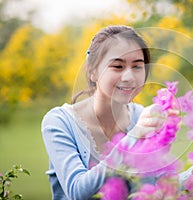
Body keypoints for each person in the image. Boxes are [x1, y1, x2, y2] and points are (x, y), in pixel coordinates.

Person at [41, 25, 166, 200]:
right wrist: (134, 137)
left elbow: (157, 186)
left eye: (137, 66)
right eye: (117, 66)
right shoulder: (59, 122)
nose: (129, 77)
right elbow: (77, 191)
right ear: (92, 71)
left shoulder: (141, 117)